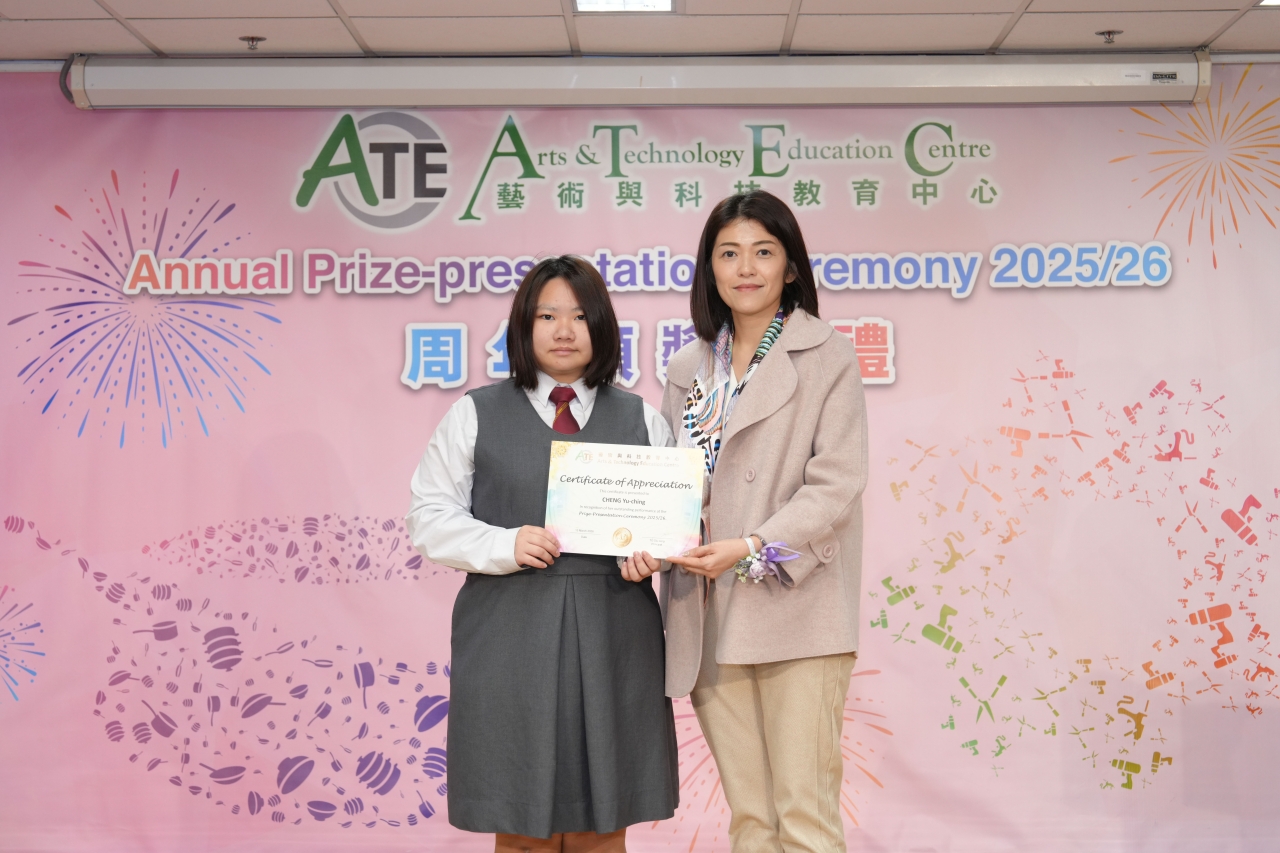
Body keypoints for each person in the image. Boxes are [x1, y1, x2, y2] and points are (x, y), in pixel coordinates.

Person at [621, 191, 868, 853]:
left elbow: (837, 481)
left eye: (764, 251)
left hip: (794, 604)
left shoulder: (828, 355)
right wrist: (647, 543)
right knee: (752, 819)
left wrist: (753, 543)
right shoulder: (688, 367)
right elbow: (671, 482)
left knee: (805, 819)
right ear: (710, 268)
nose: (746, 268)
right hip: (706, 613)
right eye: (728, 253)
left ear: (791, 266)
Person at [406, 256, 679, 853]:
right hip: (509, 635)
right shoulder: (473, 414)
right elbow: (427, 518)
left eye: (579, 316)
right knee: (521, 824)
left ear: (602, 326)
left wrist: (654, 556)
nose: (563, 331)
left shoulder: (642, 419)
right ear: (522, 327)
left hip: (615, 636)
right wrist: (503, 543)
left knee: (602, 826)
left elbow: (670, 525)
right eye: (547, 316)